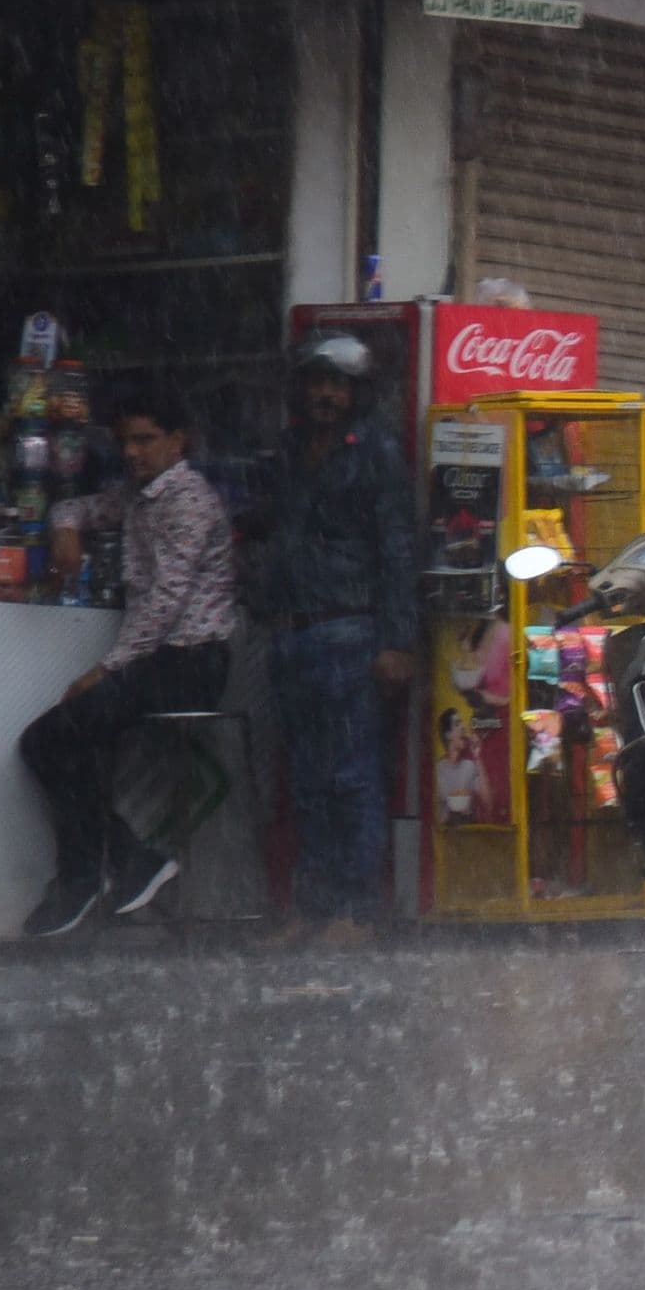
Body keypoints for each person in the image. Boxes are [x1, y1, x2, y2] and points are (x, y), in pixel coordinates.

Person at [17, 383, 237, 937]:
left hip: (189, 663)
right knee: (58, 740)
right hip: (158, 662)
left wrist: (105, 670)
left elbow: (164, 604)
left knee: (50, 739)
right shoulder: (138, 497)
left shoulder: (189, 502)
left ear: (177, 443)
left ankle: (89, 874)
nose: (133, 452)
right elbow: (77, 505)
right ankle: (122, 863)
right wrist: (64, 530)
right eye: (126, 442)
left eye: (146, 440)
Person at [243, 331, 420, 946]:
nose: (325, 394)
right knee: (308, 784)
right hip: (293, 634)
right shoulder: (291, 450)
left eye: (337, 384)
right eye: (316, 383)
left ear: (357, 393)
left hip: (350, 632)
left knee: (350, 779)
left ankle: (354, 912)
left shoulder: (375, 452)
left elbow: (397, 548)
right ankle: (311, 909)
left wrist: (398, 641)